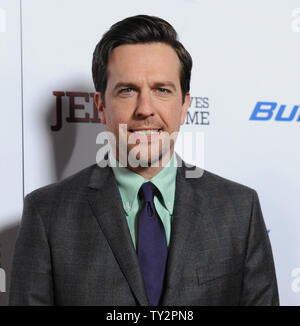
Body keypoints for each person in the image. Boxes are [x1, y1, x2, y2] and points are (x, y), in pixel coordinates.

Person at [9, 15, 279, 306]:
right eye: (127, 90)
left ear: (185, 105)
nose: (145, 109)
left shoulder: (239, 209)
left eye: (162, 90)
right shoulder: (47, 214)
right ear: (101, 106)